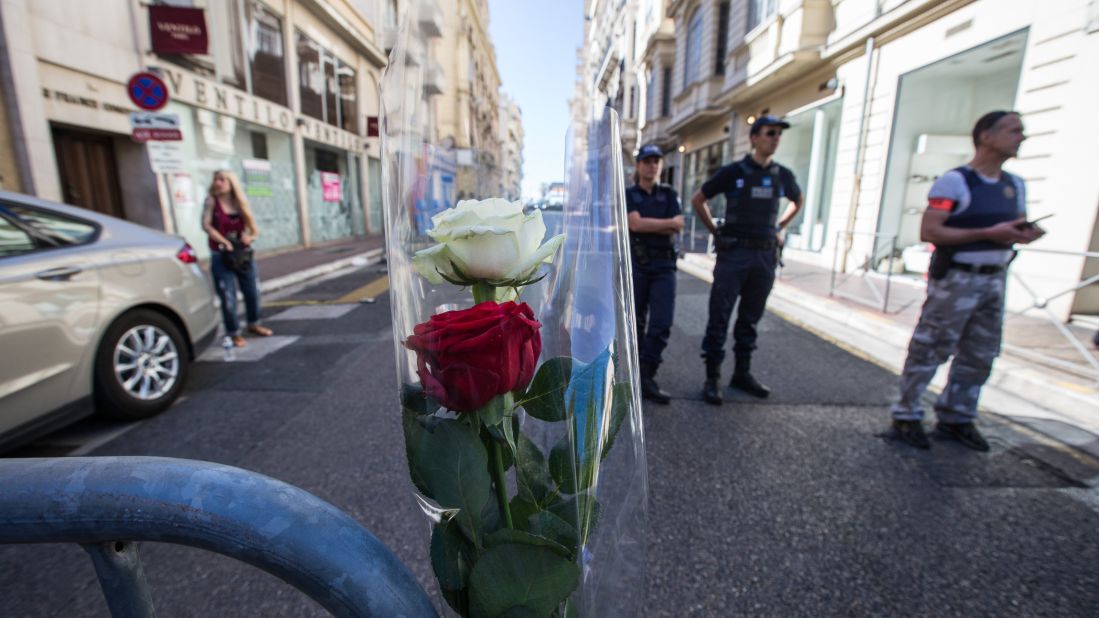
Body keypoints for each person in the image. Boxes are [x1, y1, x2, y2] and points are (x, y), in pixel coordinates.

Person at [891, 111, 1044, 451]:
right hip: (958, 280)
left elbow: (1015, 224)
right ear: (986, 137)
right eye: (1014, 130)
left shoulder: (1014, 185)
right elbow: (930, 230)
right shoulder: (954, 182)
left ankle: (957, 417)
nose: (1021, 137)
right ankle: (906, 414)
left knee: (980, 353)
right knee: (931, 347)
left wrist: (1024, 232)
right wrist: (988, 233)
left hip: (994, 280)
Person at [691, 115, 803, 405]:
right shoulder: (733, 171)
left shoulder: (782, 175)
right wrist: (716, 232)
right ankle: (712, 378)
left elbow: (797, 200)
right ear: (754, 137)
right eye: (770, 133)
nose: (775, 138)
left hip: (764, 255)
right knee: (720, 316)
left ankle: (742, 374)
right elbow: (698, 199)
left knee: (750, 319)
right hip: (734, 255)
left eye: (778, 134)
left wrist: (779, 227)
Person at [627, 144, 684, 404]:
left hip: (664, 266)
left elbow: (679, 225)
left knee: (661, 323)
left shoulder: (669, 193)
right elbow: (634, 223)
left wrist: (654, 227)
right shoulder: (629, 194)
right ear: (638, 165)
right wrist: (666, 225)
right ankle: (633, 375)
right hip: (637, 265)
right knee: (634, 324)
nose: (653, 165)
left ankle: (648, 374)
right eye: (648, 161)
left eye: (656, 161)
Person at [202, 170, 273, 347]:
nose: (218, 183)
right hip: (221, 254)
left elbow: (254, 229)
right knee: (228, 296)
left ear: (231, 182)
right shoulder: (211, 202)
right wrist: (224, 242)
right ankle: (233, 332)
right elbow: (206, 226)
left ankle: (254, 323)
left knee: (252, 292)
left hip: (242, 254)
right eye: (216, 179)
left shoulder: (240, 203)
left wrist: (250, 237)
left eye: (222, 179)